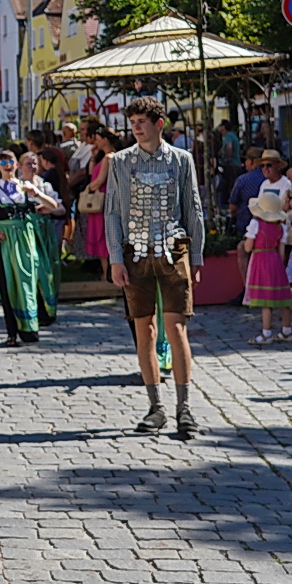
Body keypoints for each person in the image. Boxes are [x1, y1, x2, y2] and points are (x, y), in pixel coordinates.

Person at [105, 96, 206, 436]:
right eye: (132, 122)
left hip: (172, 250)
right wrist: (115, 258)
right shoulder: (120, 161)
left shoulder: (181, 160)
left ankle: (184, 407)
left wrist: (196, 258)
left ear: (158, 123)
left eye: (141, 121)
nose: (135, 127)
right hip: (135, 254)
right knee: (143, 330)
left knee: (176, 328)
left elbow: (193, 208)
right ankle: (155, 407)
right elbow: (113, 213)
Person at [0, 150, 61, 346]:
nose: (7, 165)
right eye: (3, 162)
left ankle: (30, 327)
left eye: (10, 161)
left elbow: (53, 206)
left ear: (16, 165)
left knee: (28, 280)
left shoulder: (25, 187)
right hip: (5, 241)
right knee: (8, 284)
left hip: (26, 239)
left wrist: (37, 194)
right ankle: (12, 331)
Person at [242, 193, 292, 345]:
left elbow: (247, 247)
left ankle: (266, 333)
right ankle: (287, 330)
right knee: (282, 297)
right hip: (275, 261)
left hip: (261, 260)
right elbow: (282, 250)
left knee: (266, 299)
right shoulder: (281, 227)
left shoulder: (255, 225)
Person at [19, 152, 65, 323]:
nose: (32, 167)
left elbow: (61, 209)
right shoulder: (16, 186)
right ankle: (31, 310)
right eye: (28, 164)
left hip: (44, 232)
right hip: (24, 233)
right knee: (31, 270)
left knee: (47, 270)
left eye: (35, 164)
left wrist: (49, 209)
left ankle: (47, 311)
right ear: (20, 166)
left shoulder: (44, 186)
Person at [82, 127, 119, 280]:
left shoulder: (109, 158)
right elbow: (92, 173)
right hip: (100, 200)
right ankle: (106, 272)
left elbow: (98, 180)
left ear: (105, 139)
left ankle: (108, 273)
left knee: (103, 236)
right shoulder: (103, 157)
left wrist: (87, 189)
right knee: (101, 236)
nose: (95, 142)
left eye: (98, 139)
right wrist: (93, 156)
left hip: (101, 200)